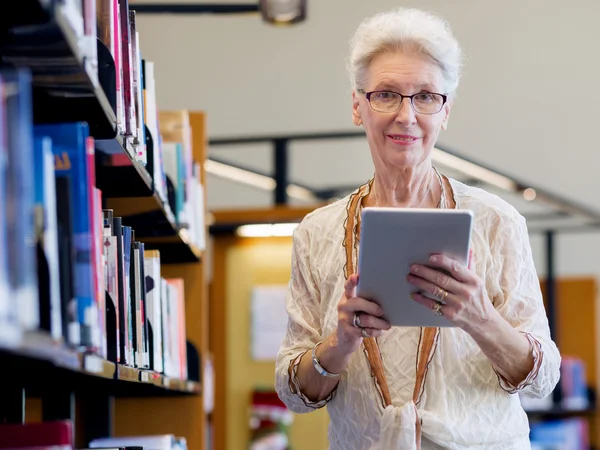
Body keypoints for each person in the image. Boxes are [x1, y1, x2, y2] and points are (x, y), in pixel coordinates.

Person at [274, 6, 561, 450]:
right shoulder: (318, 232)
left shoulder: (495, 221)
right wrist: (341, 342)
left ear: (445, 112)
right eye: (386, 94)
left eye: (426, 96)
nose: (406, 116)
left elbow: (543, 379)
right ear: (357, 106)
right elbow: (294, 392)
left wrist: (480, 317)